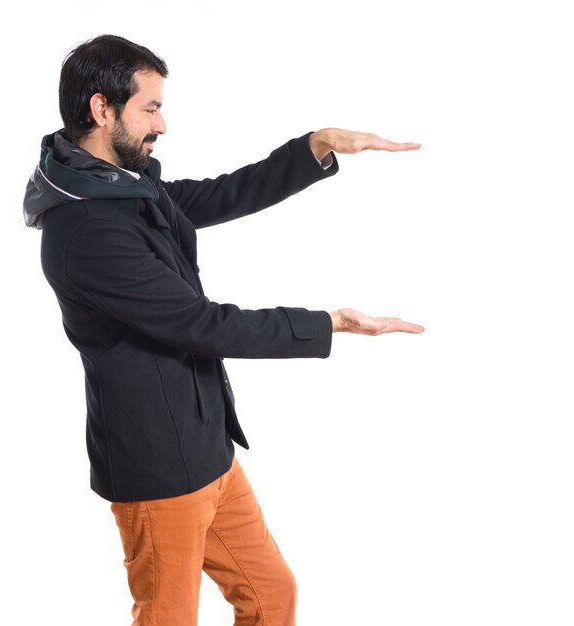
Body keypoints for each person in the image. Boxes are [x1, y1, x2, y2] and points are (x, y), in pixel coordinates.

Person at [23, 34, 424, 626]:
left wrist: (314, 148)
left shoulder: (118, 185)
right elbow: (201, 324)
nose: (163, 124)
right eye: (150, 108)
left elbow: (215, 196)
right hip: (157, 467)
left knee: (270, 597)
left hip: (208, 449)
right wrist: (328, 324)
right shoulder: (86, 231)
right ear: (102, 109)